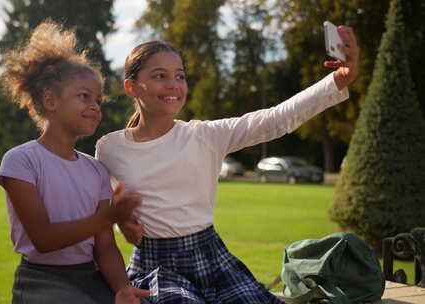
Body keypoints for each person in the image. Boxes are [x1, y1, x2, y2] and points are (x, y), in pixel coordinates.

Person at [95, 25, 359, 303]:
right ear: (131, 86)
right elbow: (108, 207)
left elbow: (276, 119)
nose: (173, 84)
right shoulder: (110, 148)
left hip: (212, 258)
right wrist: (121, 220)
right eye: (160, 76)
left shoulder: (206, 135)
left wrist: (338, 80)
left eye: (180, 76)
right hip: (157, 268)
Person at [0, 21, 149, 304]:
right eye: (84, 96)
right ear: (50, 101)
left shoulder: (96, 170)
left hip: (91, 278)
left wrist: (122, 289)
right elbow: (43, 239)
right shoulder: (21, 161)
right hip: (42, 280)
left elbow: (104, 247)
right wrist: (109, 217)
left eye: (98, 100)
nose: (95, 106)